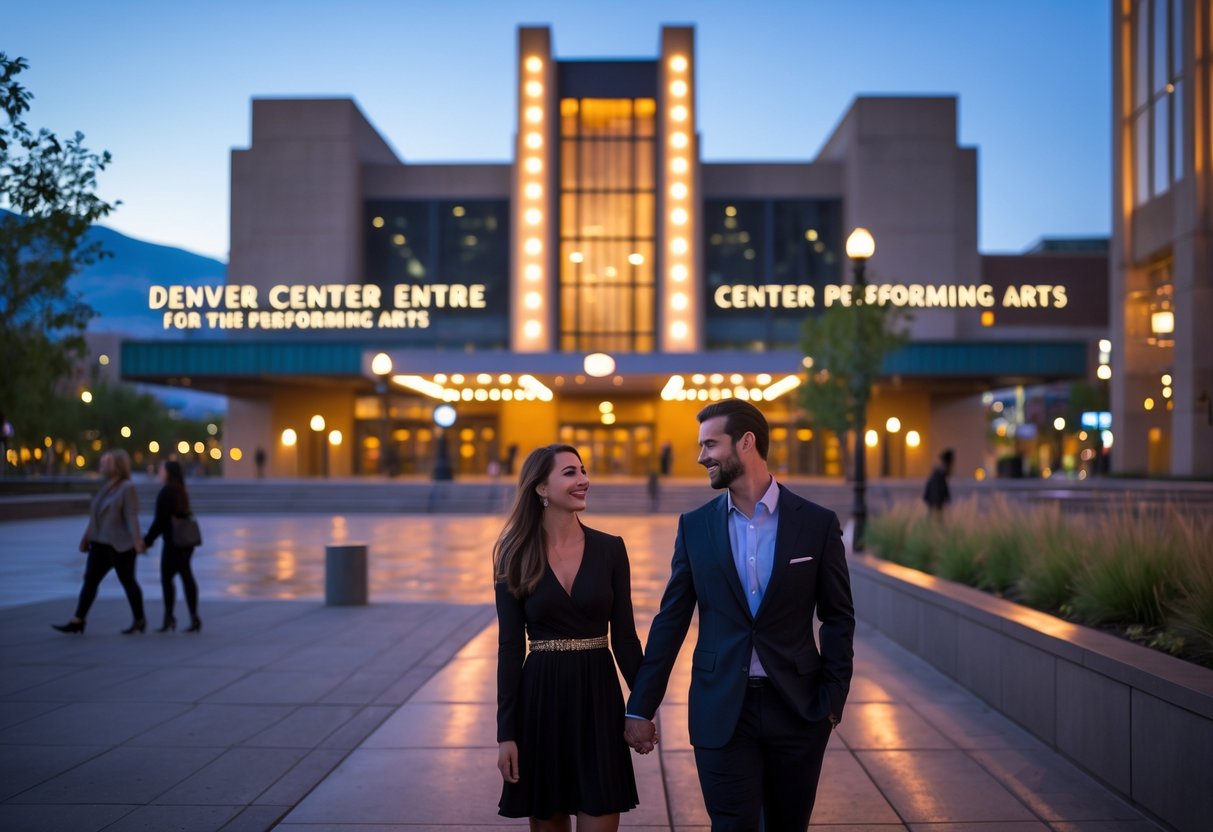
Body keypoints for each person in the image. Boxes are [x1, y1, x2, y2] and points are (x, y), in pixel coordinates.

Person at [623, 400, 855, 830]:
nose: (700, 456)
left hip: (799, 708)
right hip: (721, 709)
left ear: (747, 443)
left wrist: (833, 698)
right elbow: (671, 620)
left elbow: (839, 616)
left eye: (711, 444)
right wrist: (641, 706)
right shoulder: (695, 527)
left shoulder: (817, 524)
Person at [494, 444, 644, 830]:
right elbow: (510, 649)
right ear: (541, 488)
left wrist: (642, 707)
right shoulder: (513, 554)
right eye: (570, 473)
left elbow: (625, 637)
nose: (583, 480)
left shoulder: (611, 549)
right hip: (540, 702)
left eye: (583, 471)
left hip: (598, 700)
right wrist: (506, 734)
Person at [53, 449, 147, 635]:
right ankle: (78, 620)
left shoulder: (127, 488)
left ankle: (139, 619)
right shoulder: (106, 487)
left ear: (117, 466)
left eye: (106, 462)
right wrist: (86, 537)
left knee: (128, 582)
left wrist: (137, 541)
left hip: (120, 545)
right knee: (90, 581)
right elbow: (96, 516)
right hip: (100, 543)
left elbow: (132, 516)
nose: (102, 464)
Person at [144, 460, 202, 633]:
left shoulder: (167, 491)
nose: (159, 472)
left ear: (168, 473)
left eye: (161, 470)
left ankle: (169, 617)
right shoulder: (180, 490)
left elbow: (160, 521)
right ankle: (193, 617)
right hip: (185, 542)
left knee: (167, 579)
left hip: (174, 542)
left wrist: (147, 541)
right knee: (186, 577)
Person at [923, 448, 954, 518]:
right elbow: (935, 494)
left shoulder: (940, 475)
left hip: (935, 507)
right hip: (935, 507)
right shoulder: (938, 476)